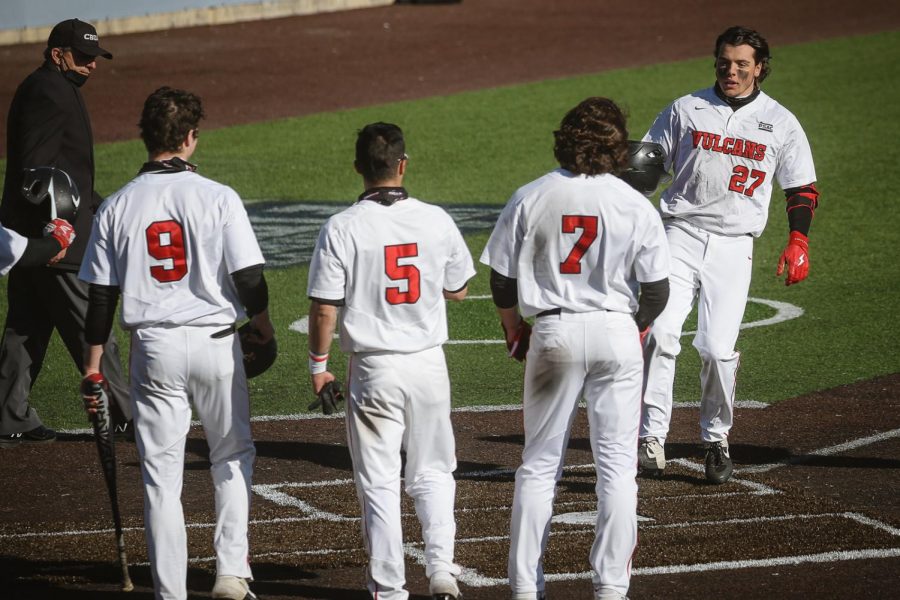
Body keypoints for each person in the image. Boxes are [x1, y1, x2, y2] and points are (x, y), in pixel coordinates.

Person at [78, 86, 272, 600]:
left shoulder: (116, 206)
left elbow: (101, 298)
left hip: (154, 349)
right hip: (214, 343)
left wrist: (93, 368)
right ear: (190, 138)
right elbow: (249, 276)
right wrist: (265, 326)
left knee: (161, 477)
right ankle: (230, 571)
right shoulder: (218, 196)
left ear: (146, 137)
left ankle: (171, 592)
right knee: (232, 454)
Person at [481, 97, 671, 600]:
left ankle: (525, 589)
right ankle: (610, 588)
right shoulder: (634, 204)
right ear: (617, 147)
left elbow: (501, 279)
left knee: (540, 465)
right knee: (616, 470)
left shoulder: (532, 194)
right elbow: (656, 293)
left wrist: (511, 329)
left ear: (564, 138)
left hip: (554, 332)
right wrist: (633, 331)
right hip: (615, 332)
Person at [637, 25, 819, 484]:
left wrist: (799, 239)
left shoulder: (781, 122)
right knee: (660, 334)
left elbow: (801, 188)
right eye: (724, 61)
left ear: (760, 68)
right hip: (678, 233)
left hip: (735, 245)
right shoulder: (687, 108)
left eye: (741, 63)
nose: (731, 70)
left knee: (717, 350)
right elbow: (647, 164)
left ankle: (715, 437)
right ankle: (650, 435)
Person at [306, 122, 475, 600]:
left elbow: (324, 308)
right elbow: (459, 290)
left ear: (359, 167)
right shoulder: (436, 219)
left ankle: (390, 588)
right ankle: (441, 568)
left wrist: (319, 365)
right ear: (403, 164)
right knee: (435, 470)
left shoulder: (341, 226)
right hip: (427, 364)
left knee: (379, 481)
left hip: (374, 368)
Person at [0, 18, 132, 446]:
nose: (91, 65)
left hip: (35, 239)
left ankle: (8, 415)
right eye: (83, 57)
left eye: (95, 58)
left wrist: (99, 204)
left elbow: (64, 171)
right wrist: (52, 236)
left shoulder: (54, 88)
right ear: (57, 54)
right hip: (58, 242)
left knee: (25, 330)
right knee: (92, 330)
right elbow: (36, 172)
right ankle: (126, 416)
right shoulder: (49, 93)